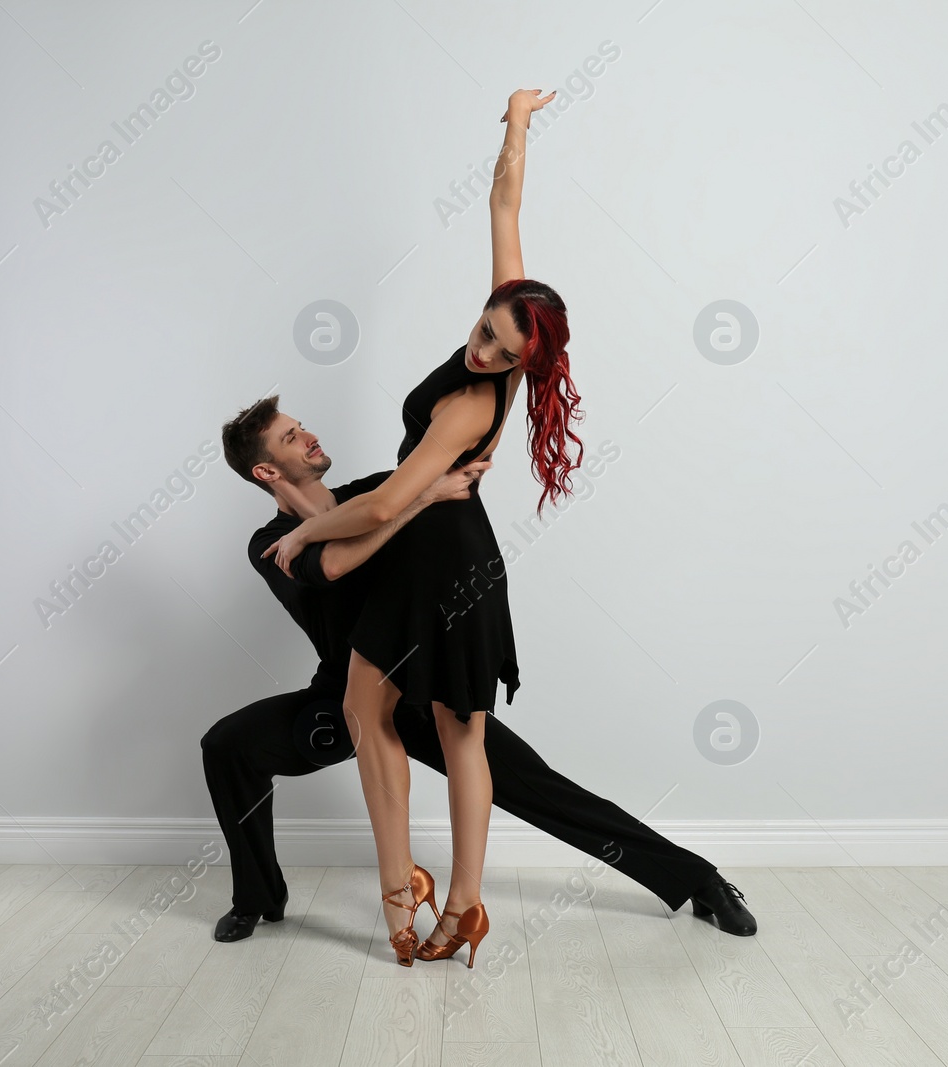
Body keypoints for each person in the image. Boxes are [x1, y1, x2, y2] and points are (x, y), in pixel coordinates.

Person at [207, 396, 758, 948]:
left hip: (431, 692)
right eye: (291, 437)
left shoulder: (378, 493)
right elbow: (328, 568)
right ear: (267, 471)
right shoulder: (271, 544)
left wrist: (495, 398)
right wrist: (421, 498)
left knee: (542, 790)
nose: (309, 436)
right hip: (347, 703)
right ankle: (257, 898)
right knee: (228, 746)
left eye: (303, 425)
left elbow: (458, 475)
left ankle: (701, 880)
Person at [261, 87, 585, 968]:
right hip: (435, 561)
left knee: (454, 730)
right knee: (377, 712)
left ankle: (459, 904)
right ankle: (405, 889)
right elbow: (505, 205)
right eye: (484, 331)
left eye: (501, 351)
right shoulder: (508, 323)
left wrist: (299, 541)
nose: (481, 349)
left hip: (446, 567)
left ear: (526, 364)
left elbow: (387, 505)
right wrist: (518, 121)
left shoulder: (468, 401)